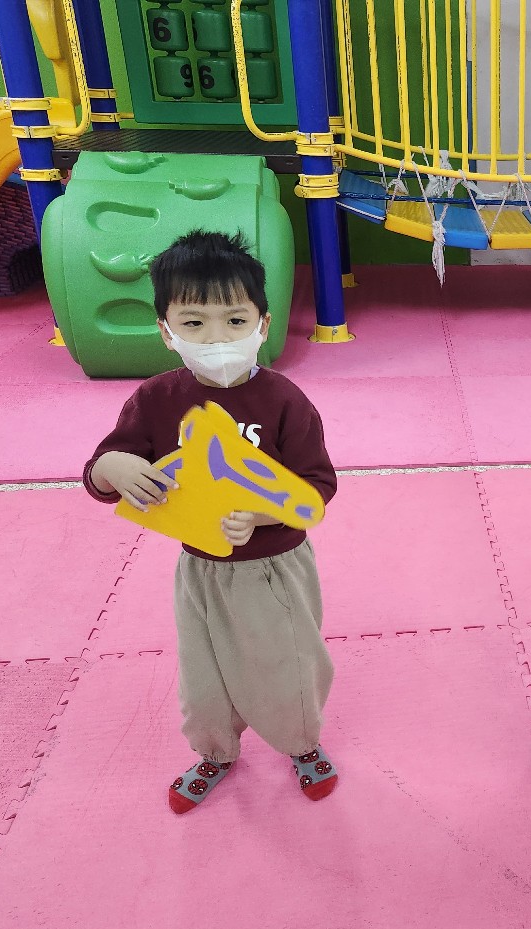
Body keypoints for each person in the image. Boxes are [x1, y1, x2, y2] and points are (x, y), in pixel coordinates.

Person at [83, 230, 340, 814]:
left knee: (287, 664)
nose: (217, 339)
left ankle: (302, 743)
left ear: (263, 325)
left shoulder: (284, 401)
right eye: (194, 323)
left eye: (235, 320)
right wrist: (112, 467)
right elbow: (104, 470)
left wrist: (264, 513)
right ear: (166, 331)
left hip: (274, 567)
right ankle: (215, 751)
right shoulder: (156, 399)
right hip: (199, 568)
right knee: (203, 674)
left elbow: (319, 485)